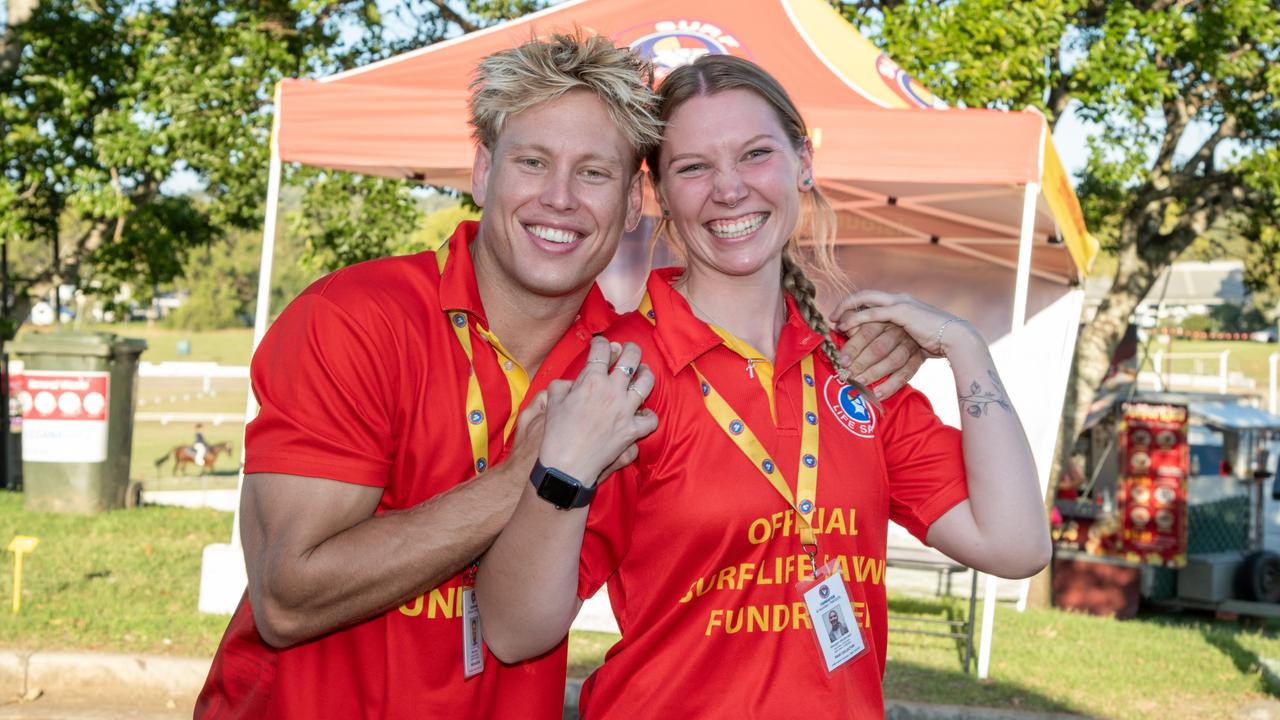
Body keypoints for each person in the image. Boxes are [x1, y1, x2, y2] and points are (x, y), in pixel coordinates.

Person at [195, 35, 922, 719]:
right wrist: (532, 475)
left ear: (634, 203)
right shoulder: (356, 319)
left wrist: (880, 344)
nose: (561, 199)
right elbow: (287, 597)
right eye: (532, 162)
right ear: (483, 171)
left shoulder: (634, 364)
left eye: (596, 173)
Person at [476, 55, 1051, 719]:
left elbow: (1016, 547)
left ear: (802, 162)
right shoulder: (622, 372)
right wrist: (564, 469)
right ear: (660, 193)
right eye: (693, 168)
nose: (728, 189)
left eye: (754, 154)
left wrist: (967, 350)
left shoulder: (854, 369)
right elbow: (515, 632)